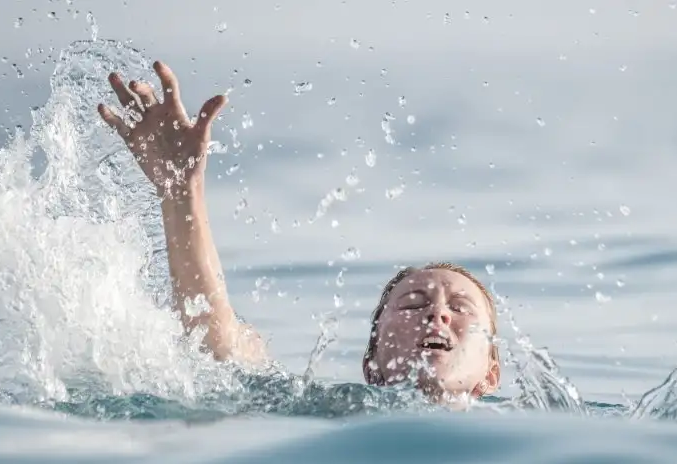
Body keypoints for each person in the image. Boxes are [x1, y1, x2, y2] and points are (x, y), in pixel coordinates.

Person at [98, 61, 500, 404]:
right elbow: (220, 352)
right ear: (372, 366)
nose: (438, 313)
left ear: (491, 374)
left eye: (461, 308)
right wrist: (181, 191)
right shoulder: (334, 413)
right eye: (412, 305)